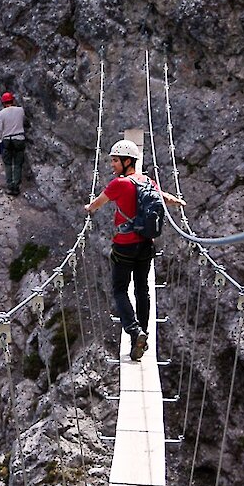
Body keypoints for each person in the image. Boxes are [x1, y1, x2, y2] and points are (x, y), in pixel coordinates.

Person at [84, 138, 185, 361]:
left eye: (115, 161)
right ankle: (143, 335)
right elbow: (163, 198)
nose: (112, 165)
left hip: (124, 245)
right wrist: (177, 202)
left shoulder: (119, 184)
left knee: (120, 290)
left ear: (127, 161)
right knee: (142, 291)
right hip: (146, 244)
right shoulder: (147, 181)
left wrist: (88, 208)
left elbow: (97, 204)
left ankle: (134, 330)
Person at [0, 91, 26, 194]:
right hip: (19, 138)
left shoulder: (1, 114)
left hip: (6, 140)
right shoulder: (20, 110)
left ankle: (10, 186)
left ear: (3, 102)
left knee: (7, 164)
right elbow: (23, 121)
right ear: (13, 100)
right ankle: (16, 186)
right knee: (18, 163)